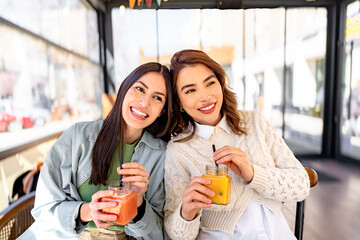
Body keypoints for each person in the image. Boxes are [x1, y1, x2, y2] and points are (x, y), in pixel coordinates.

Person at [164, 49, 310, 240]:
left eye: (210, 83)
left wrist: (253, 173)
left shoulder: (255, 122)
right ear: (179, 101)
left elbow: (302, 185)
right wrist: (186, 213)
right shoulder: (179, 150)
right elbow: (178, 234)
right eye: (190, 90)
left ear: (221, 84)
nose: (205, 96)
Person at [19, 62, 172, 240]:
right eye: (139, 89)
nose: (145, 102)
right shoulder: (76, 137)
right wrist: (88, 211)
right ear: (124, 90)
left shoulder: (161, 155)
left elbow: (158, 234)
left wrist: (138, 203)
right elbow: (44, 210)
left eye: (158, 98)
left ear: (162, 111)